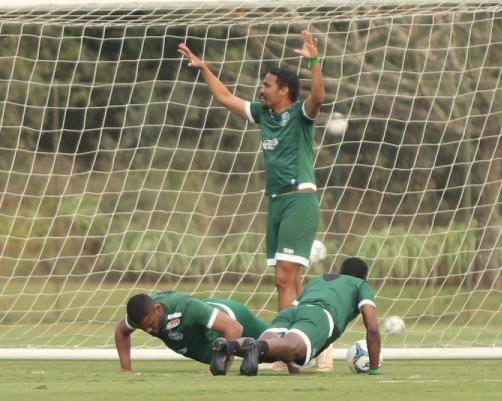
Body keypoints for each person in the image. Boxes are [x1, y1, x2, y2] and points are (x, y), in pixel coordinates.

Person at [178, 30, 332, 371]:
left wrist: (314, 61)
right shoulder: (264, 115)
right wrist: (204, 68)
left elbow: (318, 97)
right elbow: (226, 99)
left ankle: (284, 352)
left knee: (283, 278)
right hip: (276, 202)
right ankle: (308, 348)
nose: (260, 89)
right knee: (289, 281)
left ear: (284, 90)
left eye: (266, 85)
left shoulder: (300, 115)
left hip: (298, 200)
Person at [209, 257, 382, 376]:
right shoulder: (360, 284)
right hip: (319, 315)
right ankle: (253, 346)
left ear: (341, 271)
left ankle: (229, 346)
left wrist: (295, 372)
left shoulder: (318, 280)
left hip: (291, 311)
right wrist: (374, 370)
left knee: (266, 350)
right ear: (363, 276)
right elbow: (372, 327)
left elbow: (294, 307)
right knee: (288, 346)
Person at [114, 291, 268, 374]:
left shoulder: (185, 307)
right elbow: (121, 331)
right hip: (213, 339)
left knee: (284, 349)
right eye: (143, 328)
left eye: (150, 325)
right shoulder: (140, 315)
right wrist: (126, 368)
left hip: (232, 315)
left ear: (158, 309)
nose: (148, 330)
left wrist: (220, 367)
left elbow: (234, 328)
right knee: (263, 357)